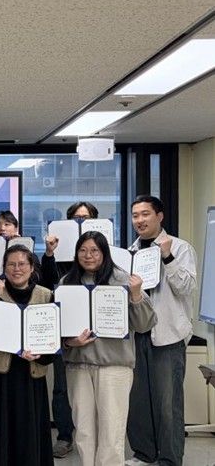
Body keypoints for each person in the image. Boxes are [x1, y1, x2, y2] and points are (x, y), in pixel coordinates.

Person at [0, 210, 56, 459]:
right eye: (11, 265)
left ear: (32, 267)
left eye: (22, 264)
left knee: (28, 431)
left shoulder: (44, 295)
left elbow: (51, 337)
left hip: (30, 371)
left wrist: (41, 355)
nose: (17, 269)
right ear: (3, 268)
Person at [59, 231, 155, 466]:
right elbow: (56, 330)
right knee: (83, 430)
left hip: (114, 366)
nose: (88, 255)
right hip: (78, 366)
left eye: (94, 250)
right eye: (83, 251)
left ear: (104, 253)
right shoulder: (66, 283)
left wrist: (136, 295)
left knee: (111, 431)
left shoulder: (124, 280)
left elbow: (145, 324)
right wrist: (70, 342)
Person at [125, 195, 197, 466]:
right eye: (135, 215)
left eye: (145, 214)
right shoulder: (130, 253)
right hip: (137, 335)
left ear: (159, 216)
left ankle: (169, 459)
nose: (139, 220)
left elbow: (187, 287)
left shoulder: (180, 248)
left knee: (168, 404)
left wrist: (168, 256)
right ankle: (143, 453)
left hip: (168, 336)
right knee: (139, 401)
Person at [42, 201, 99, 458]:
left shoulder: (103, 255)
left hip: (98, 333)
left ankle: (94, 436)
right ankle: (65, 437)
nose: (81, 222)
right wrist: (50, 253)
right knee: (62, 388)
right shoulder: (60, 256)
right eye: (76, 218)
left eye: (86, 218)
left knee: (97, 388)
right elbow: (48, 283)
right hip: (65, 331)